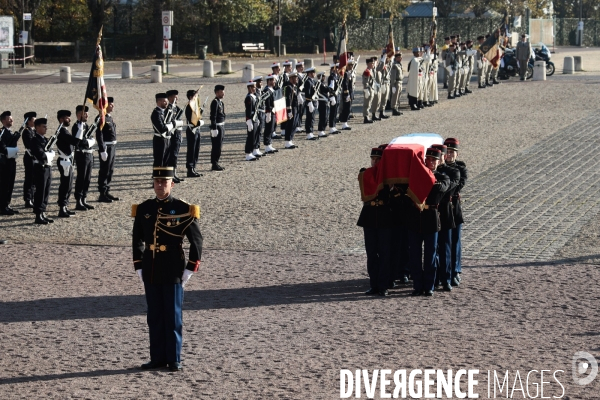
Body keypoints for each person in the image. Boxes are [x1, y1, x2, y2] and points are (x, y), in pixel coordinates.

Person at [132, 166, 203, 372]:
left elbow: (196, 240)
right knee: (154, 315)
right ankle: (157, 358)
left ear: (172, 184)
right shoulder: (144, 208)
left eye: (165, 182)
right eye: (157, 182)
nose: (160, 185)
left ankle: (173, 358)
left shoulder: (183, 208)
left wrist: (191, 267)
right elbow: (137, 239)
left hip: (173, 267)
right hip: (151, 267)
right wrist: (138, 264)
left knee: (172, 315)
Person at [406, 148, 450, 297]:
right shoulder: (416, 176)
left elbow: (440, 189)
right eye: (428, 160)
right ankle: (417, 286)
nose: (431, 162)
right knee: (415, 255)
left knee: (431, 255)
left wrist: (425, 180)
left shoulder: (443, 177)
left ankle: (430, 285)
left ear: (439, 161)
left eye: (434, 160)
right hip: (415, 218)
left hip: (431, 218)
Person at [357, 147, 393, 297]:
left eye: (378, 160)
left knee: (385, 253)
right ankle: (373, 284)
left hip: (384, 217)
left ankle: (383, 285)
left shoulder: (388, 176)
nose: (375, 162)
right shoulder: (366, 173)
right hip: (370, 217)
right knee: (371, 253)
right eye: (373, 159)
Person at [431, 144, 460, 291]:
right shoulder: (430, 172)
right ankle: (434, 279)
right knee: (433, 249)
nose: (445, 157)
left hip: (446, 211)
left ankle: (446, 278)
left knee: (446, 248)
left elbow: (450, 187)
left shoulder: (453, 171)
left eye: (443, 155)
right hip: (432, 212)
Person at [56, 109, 90, 218]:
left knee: (69, 185)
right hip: (64, 161)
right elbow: (75, 142)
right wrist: (80, 130)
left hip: (68, 160)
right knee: (65, 185)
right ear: (61, 119)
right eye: (66, 117)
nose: (69, 119)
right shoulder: (62, 131)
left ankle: (65, 207)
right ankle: (62, 208)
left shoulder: (65, 130)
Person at [444, 138, 467, 286]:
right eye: (448, 152)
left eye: (453, 152)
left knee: (456, 241)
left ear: (457, 154)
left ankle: (456, 270)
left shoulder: (460, 168)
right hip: (443, 209)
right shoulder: (440, 167)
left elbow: (459, 185)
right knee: (444, 243)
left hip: (454, 208)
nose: (450, 155)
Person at [29, 118, 55, 224]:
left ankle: (43, 212)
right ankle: (38, 214)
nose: (46, 128)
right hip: (40, 168)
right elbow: (41, 155)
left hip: (47, 167)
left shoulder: (45, 139)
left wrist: (49, 154)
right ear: (37, 127)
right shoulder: (35, 140)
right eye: (43, 126)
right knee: (40, 191)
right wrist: (49, 155)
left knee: (46, 191)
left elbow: (51, 151)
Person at [72, 105, 96, 211]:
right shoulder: (76, 127)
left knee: (87, 178)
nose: (87, 115)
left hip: (89, 154)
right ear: (78, 115)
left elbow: (90, 139)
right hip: (81, 155)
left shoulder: (86, 126)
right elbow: (80, 142)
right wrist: (88, 142)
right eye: (84, 113)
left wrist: (90, 142)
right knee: (81, 178)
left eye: (87, 113)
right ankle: (78, 200)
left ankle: (84, 198)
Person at [97, 97, 119, 203]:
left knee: (110, 170)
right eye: (111, 104)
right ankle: (102, 193)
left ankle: (107, 191)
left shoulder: (109, 117)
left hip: (112, 146)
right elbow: (99, 134)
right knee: (104, 170)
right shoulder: (101, 118)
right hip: (106, 147)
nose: (113, 106)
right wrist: (102, 149)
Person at [152, 93, 181, 168]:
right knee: (159, 161)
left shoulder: (166, 112)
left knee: (166, 161)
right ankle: (158, 179)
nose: (167, 103)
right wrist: (172, 125)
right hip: (160, 139)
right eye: (165, 101)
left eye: (167, 101)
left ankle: (165, 179)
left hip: (167, 139)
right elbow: (161, 128)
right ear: (159, 102)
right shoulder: (156, 113)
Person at [0, 111, 20, 215]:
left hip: (12, 161)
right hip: (4, 162)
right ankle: (3, 206)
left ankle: (7, 204)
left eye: (11, 118)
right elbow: (2, 148)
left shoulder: (10, 132)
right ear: (3, 121)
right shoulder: (2, 132)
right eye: (9, 119)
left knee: (10, 184)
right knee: (4, 184)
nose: (11, 120)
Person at [165, 90, 185, 183]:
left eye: (176, 97)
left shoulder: (177, 108)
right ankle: (170, 175)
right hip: (171, 135)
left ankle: (174, 173)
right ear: (169, 98)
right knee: (171, 155)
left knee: (175, 155)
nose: (176, 98)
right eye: (174, 97)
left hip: (177, 134)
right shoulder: (168, 109)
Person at [184, 89, 204, 177]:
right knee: (191, 150)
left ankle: (194, 167)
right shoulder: (189, 106)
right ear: (191, 97)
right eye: (195, 96)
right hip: (192, 130)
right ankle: (190, 168)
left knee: (196, 149)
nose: (197, 97)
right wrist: (199, 122)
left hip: (197, 130)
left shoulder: (195, 106)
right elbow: (192, 121)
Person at [21, 111, 37, 208]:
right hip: (29, 157)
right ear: (29, 121)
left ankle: (32, 197)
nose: (35, 121)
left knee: (34, 179)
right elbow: (31, 144)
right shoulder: (26, 131)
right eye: (34, 119)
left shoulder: (34, 131)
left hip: (35, 158)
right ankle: (28, 199)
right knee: (29, 179)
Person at [209, 85, 226, 171]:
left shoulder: (220, 102)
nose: (223, 93)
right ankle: (214, 163)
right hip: (217, 127)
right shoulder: (215, 102)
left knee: (219, 146)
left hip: (221, 125)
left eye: (223, 91)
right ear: (217, 92)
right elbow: (213, 116)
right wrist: (214, 127)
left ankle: (216, 162)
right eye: (221, 91)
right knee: (216, 146)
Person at [262, 74, 279, 153]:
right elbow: (267, 103)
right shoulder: (266, 90)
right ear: (269, 81)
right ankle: (267, 145)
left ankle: (270, 143)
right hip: (269, 112)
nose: (274, 82)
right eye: (272, 80)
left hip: (273, 111)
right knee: (268, 129)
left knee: (272, 128)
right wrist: (268, 112)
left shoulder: (272, 89)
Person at [283, 71, 300, 149]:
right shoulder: (289, 87)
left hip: (295, 108)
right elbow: (288, 100)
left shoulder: (294, 86)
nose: (297, 79)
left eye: (297, 77)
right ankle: (287, 141)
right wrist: (289, 111)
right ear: (291, 78)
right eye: (295, 78)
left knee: (294, 124)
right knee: (290, 124)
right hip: (291, 108)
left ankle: (290, 139)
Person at [244, 80, 259, 161]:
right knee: (250, 137)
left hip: (255, 118)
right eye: (253, 87)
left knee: (254, 136)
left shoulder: (254, 96)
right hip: (251, 119)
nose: (255, 88)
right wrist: (248, 120)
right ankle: (248, 153)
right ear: (249, 88)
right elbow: (248, 110)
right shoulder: (249, 98)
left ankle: (252, 151)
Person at [303, 67, 318, 140]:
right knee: (309, 118)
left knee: (312, 118)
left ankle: (311, 132)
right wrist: (309, 103)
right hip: (310, 103)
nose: (314, 74)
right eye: (312, 72)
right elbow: (307, 94)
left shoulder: (313, 81)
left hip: (313, 102)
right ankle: (308, 133)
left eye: (314, 72)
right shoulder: (308, 82)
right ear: (309, 73)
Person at [338, 62, 353, 131]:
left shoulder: (349, 73)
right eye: (349, 65)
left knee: (348, 108)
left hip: (349, 93)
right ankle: (344, 123)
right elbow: (345, 84)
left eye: (351, 65)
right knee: (346, 108)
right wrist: (346, 94)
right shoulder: (345, 73)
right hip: (346, 94)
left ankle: (345, 122)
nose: (351, 66)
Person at [316, 72, 330, 137]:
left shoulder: (323, 83)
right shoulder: (319, 84)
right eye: (323, 76)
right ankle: (320, 130)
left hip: (325, 101)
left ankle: (323, 130)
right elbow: (325, 89)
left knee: (326, 117)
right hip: (321, 102)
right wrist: (330, 88)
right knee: (322, 117)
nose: (324, 77)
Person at [327, 64, 340, 134]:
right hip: (333, 96)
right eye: (336, 68)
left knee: (335, 112)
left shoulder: (336, 76)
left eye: (338, 68)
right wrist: (331, 96)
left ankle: (334, 125)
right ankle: (331, 126)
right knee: (332, 112)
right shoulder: (331, 77)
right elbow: (331, 88)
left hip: (336, 96)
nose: (337, 69)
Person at [362, 58, 375, 123]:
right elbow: (365, 82)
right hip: (368, 89)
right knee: (366, 104)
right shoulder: (367, 71)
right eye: (371, 63)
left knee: (369, 104)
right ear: (368, 64)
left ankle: (367, 116)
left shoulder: (371, 71)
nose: (373, 64)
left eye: (373, 63)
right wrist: (366, 89)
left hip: (371, 88)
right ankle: (365, 117)